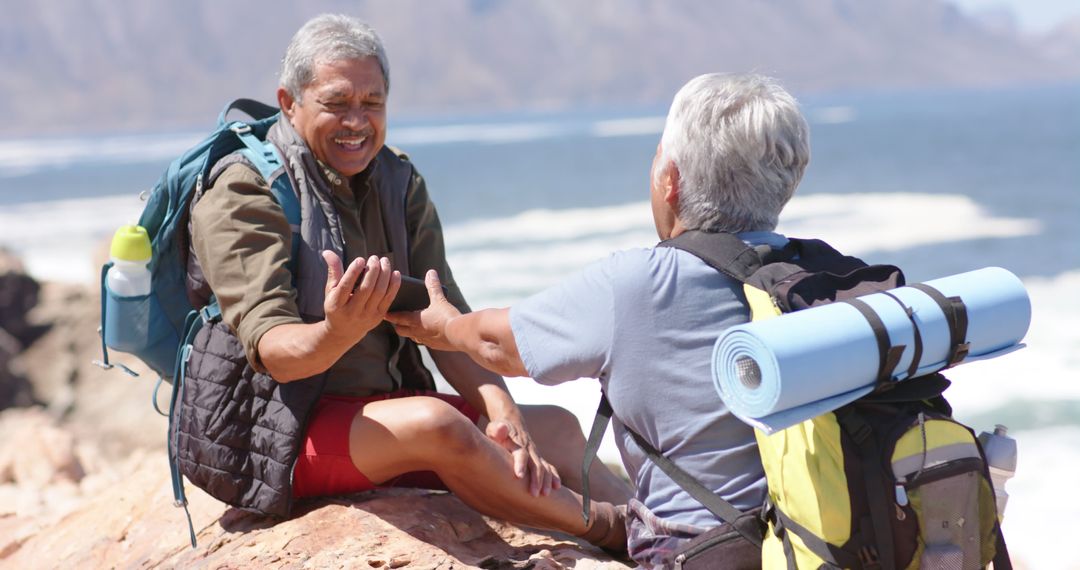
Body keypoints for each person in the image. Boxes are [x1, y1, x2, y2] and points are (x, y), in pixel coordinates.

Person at [176, 13, 631, 552]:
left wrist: (504, 411)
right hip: (277, 430)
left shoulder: (398, 182)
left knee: (553, 427)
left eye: (372, 103)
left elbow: (449, 324)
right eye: (337, 102)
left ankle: (665, 531)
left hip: (377, 411)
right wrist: (337, 332)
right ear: (288, 101)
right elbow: (274, 351)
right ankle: (611, 529)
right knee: (437, 423)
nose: (356, 122)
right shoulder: (243, 191)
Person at [389, 72, 811, 568]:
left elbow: (499, 344)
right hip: (813, 538)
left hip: (699, 549)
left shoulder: (640, 282)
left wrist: (444, 326)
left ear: (669, 180)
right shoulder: (820, 273)